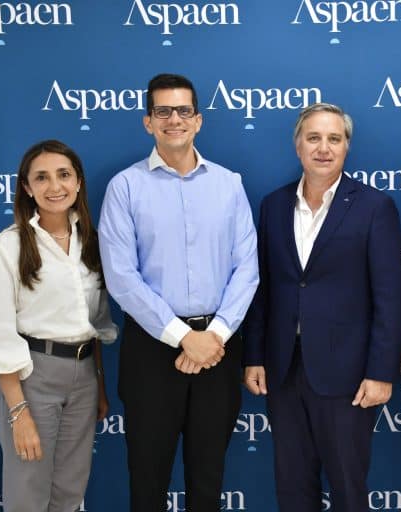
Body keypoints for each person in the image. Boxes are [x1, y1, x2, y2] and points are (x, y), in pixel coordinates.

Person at [98, 73, 258, 512]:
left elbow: (247, 268)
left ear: (198, 120)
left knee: (208, 480)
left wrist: (214, 335)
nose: (174, 119)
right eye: (163, 111)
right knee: (147, 480)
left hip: (218, 351)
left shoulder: (228, 184)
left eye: (183, 110)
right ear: (148, 122)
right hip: (152, 350)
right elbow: (121, 276)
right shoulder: (125, 187)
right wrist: (183, 337)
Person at [242, 102, 401, 511]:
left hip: (347, 375)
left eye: (334, 139)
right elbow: (262, 289)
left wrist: (380, 372)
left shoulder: (374, 207)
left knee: (348, 489)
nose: (323, 148)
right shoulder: (273, 206)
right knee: (292, 488)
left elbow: (390, 297)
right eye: (313, 138)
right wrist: (254, 356)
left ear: (346, 147)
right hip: (284, 371)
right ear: (298, 145)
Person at [0, 140, 117, 512]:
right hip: (31, 377)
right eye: (42, 177)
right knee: (28, 493)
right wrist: (18, 412)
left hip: (84, 377)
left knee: (70, 492)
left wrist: (98, 385)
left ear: (78, 182)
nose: (55, 186)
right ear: (27, 187)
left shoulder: (94, 243)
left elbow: (95, 323)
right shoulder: (7, 247)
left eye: (63, 175)